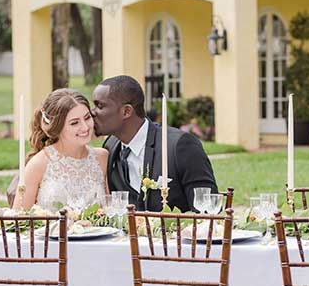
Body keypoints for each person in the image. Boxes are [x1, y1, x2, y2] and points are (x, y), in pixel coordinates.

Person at [91, 75, 218, 212]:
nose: (92, 112)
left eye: (100, 106)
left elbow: (207, 208)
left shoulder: (180, 145)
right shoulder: (110, 146)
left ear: (126, 111)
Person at [6, 89, 109, 210]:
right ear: (57, 128)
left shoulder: (102, 157)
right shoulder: (38, 164)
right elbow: (19, 220)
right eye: (74, 123)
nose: (85, 127)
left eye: (87, 118)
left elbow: (111, 209)